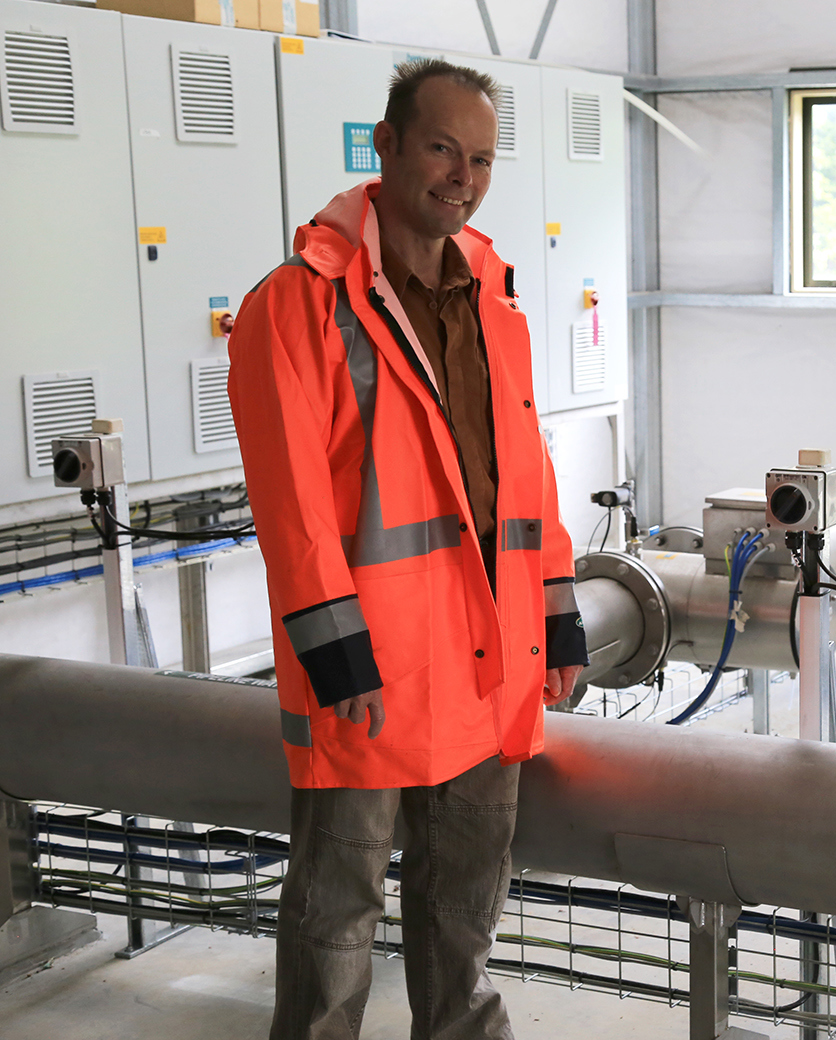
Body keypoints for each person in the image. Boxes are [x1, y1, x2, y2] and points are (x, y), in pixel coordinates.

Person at [227, 59, 587, 1040]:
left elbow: (527, 480)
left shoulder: (494, 299)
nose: (461, 177)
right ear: (383, 145)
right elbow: (291, 502)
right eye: (441, 148)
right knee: (336, 915)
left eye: (479, 159)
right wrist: (331, 650)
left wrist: (557, 615)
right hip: (370, 668)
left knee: (462, 911)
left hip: (486, 661)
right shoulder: (296, 305)